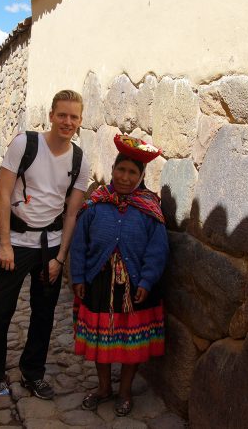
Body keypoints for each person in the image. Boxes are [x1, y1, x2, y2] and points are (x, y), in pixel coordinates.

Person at [0, 90, 90, 410]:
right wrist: (5, 244)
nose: (67, 122)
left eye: (74, 117)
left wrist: (60, 258)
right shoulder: (25, 144)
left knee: (44, 314)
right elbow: (3, 195)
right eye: (62, 115)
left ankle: (32, 373)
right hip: (17, 244)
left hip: (50, 247)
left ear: (80, 121)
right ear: (51, 115)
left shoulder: (79, 160)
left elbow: (72, 213)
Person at [70, 134, 169, 417]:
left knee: (130, 343)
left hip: (135, 285)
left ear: (141, 176)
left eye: (132, 172)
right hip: (98, 282)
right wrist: (78, 277)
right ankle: (104, 387)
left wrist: (148, 280)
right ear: (112, 170)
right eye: (121, 170)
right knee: (101, 339)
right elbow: (80, 244)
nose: (125, 177)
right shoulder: (96, 203)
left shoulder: (149, 207)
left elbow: (158, 250)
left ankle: (124, 390)